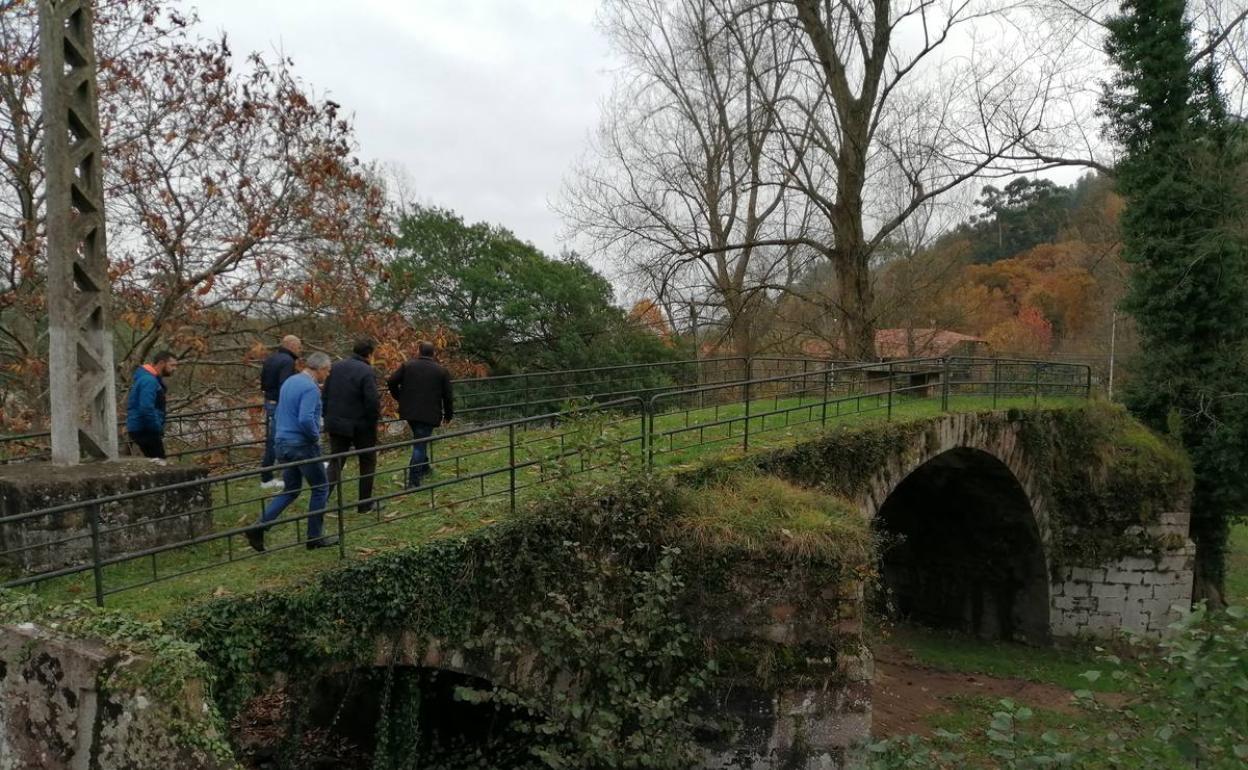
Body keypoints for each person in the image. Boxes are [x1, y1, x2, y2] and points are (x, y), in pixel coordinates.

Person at [247, 351, 339, 552]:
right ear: (321, 369)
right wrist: (315, 437)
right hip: (302, 445)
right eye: (328, 371)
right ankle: (314, 537)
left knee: (291, 489)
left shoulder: (290, 381)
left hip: (282, 443)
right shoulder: (311, 388)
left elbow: (281, 411)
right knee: (321, 487)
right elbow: (305, 418)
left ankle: (259, 527)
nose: (328, 375)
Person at [323, 338, 381, 513]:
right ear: (369, 354)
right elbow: (372, 401)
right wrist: (372, 422)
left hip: (336, 422)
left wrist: (327, 416)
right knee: (367, 461)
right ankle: (364, 504)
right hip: (361, 425)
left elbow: (325, 394)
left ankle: (320, 501)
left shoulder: (335, 367)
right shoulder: (366, 371)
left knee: (336, 462)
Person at [387, 341, 454, 489]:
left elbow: (391, 381)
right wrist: (448, 415)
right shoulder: (441, 371)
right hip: (429, 413)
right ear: (433, 353)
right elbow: (448, 396)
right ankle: (413, 481)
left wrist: (400, 397)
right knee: (419, 445)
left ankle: (424, 468)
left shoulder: (408, 366)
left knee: (420, 439)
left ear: (419, 351)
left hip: (410, 411)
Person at [259, 335, 301, 489]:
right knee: (277, 440)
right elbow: (286, 385)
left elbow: (263, 382)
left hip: (269, 400)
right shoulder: (288, 362)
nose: (299, 350)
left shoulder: (271, 359)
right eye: (298, 346)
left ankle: (271, 474)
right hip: (280, 404)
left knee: (274, 439)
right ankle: (268, 477)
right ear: (291, 345)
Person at [125, 350, 178, 460]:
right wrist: (156, 427)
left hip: (141, 427)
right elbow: (146, 407)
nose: (174, 369)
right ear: (162, 363)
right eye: (172, 365)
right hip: (145, 429)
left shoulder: (149, 378)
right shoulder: (149, 381)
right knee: (160, 462)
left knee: (156, 460)